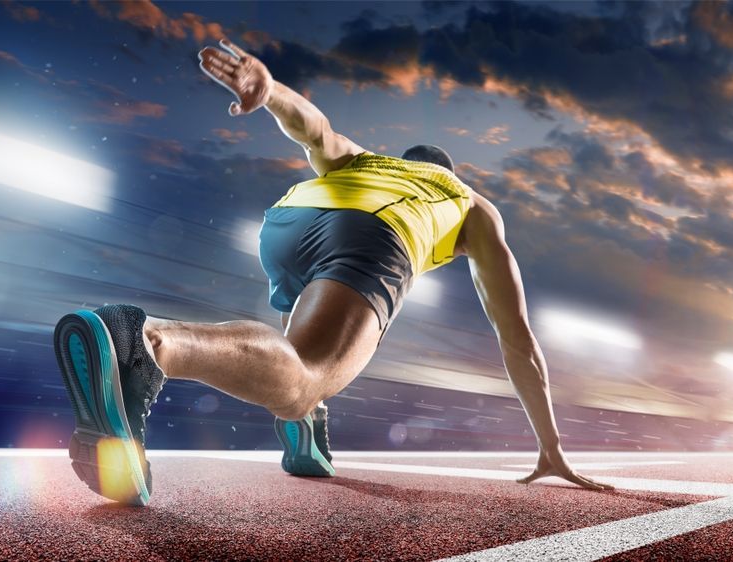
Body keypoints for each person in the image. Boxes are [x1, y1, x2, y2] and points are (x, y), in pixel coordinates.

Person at [53, 37, 613, 506]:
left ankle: (304, 428)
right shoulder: (469, 203)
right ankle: (147, 342)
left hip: (287, 224)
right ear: (447, 171)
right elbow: (517, 341)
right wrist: (550, 446)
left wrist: (269, 91)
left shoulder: (369, 160)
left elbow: (314, 128)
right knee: (306, 374)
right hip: (370, 236)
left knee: (302, 331)